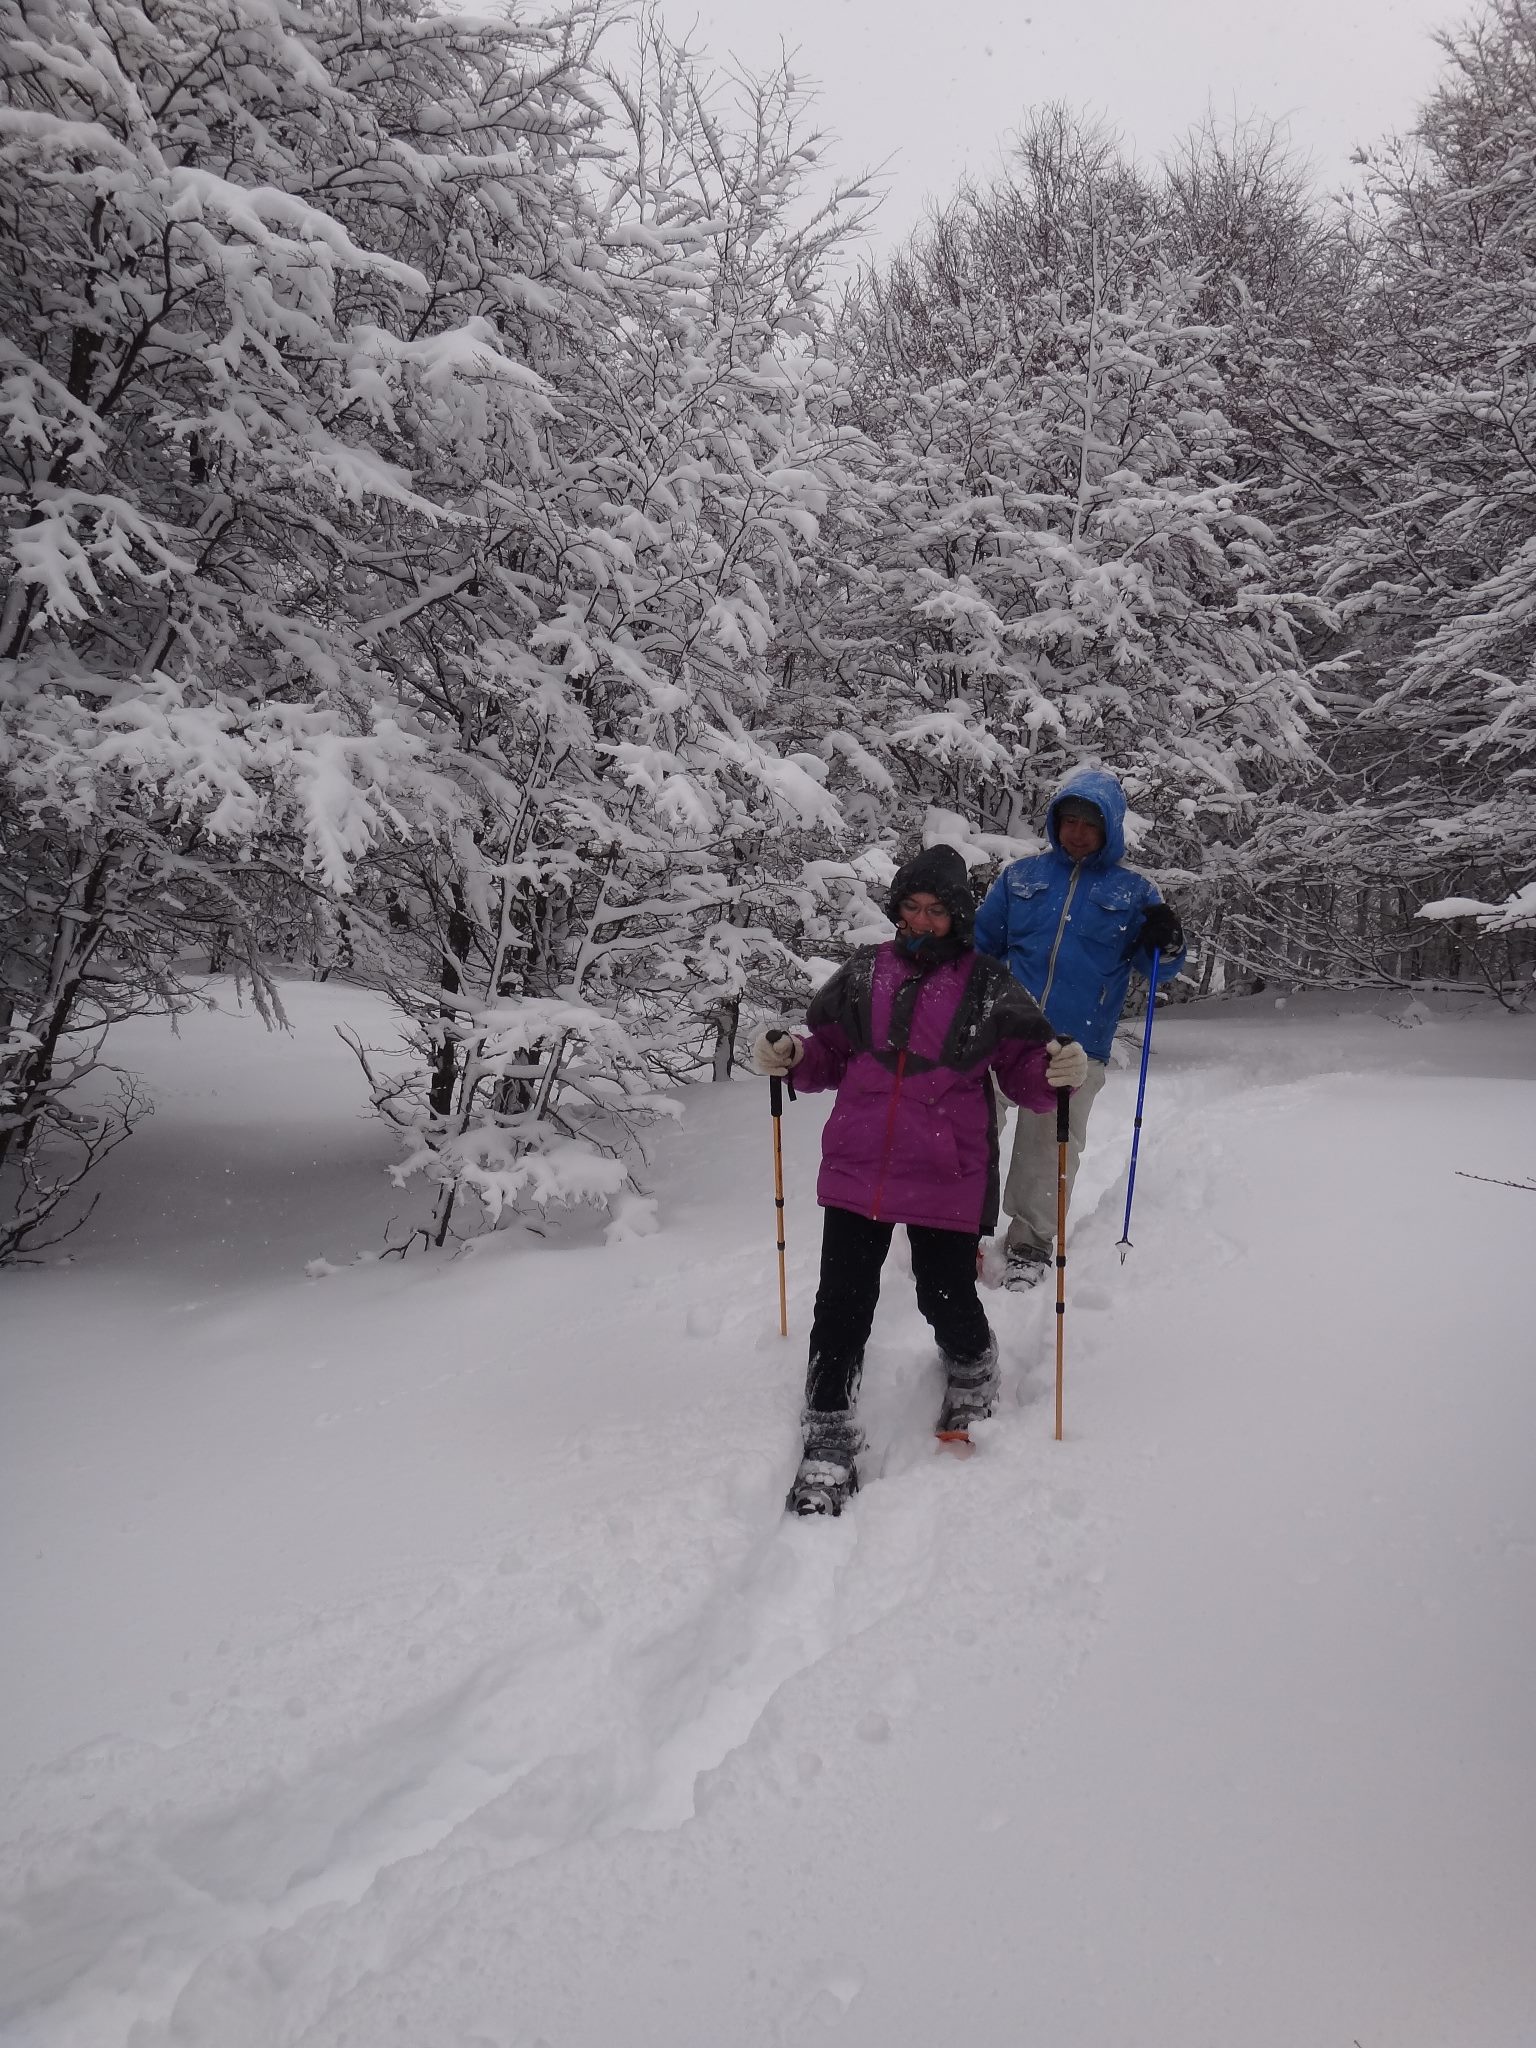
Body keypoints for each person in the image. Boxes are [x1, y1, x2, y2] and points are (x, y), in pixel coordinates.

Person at [754, 845, 1087, 1516]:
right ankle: (828, 1427)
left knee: (946, 1297)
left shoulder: (990, 985)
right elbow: (827, 1055)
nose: (922, 922)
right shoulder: (863, 973)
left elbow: (1023, 1072)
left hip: (946, 1169)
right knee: (840, 1308)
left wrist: (1055, 1075)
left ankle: (972, 1364)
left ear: (958, 916)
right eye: (912, 908)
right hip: (857, 1169)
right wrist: (791, 1056)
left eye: (937, 912)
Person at [973, 769, 1186, 1290]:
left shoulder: (1135, 891)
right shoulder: (1020, 878)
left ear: (1109, 829)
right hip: (1004, 1033)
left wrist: (1168, 942)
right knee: (968, 1129)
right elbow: (981, 947)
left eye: (1089, 824)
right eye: (1068, 821)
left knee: (1050, 1145)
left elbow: (1155, 968)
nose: (1076, 832)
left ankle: (1030, 1243)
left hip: (1076, 1044)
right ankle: (958, 1232)